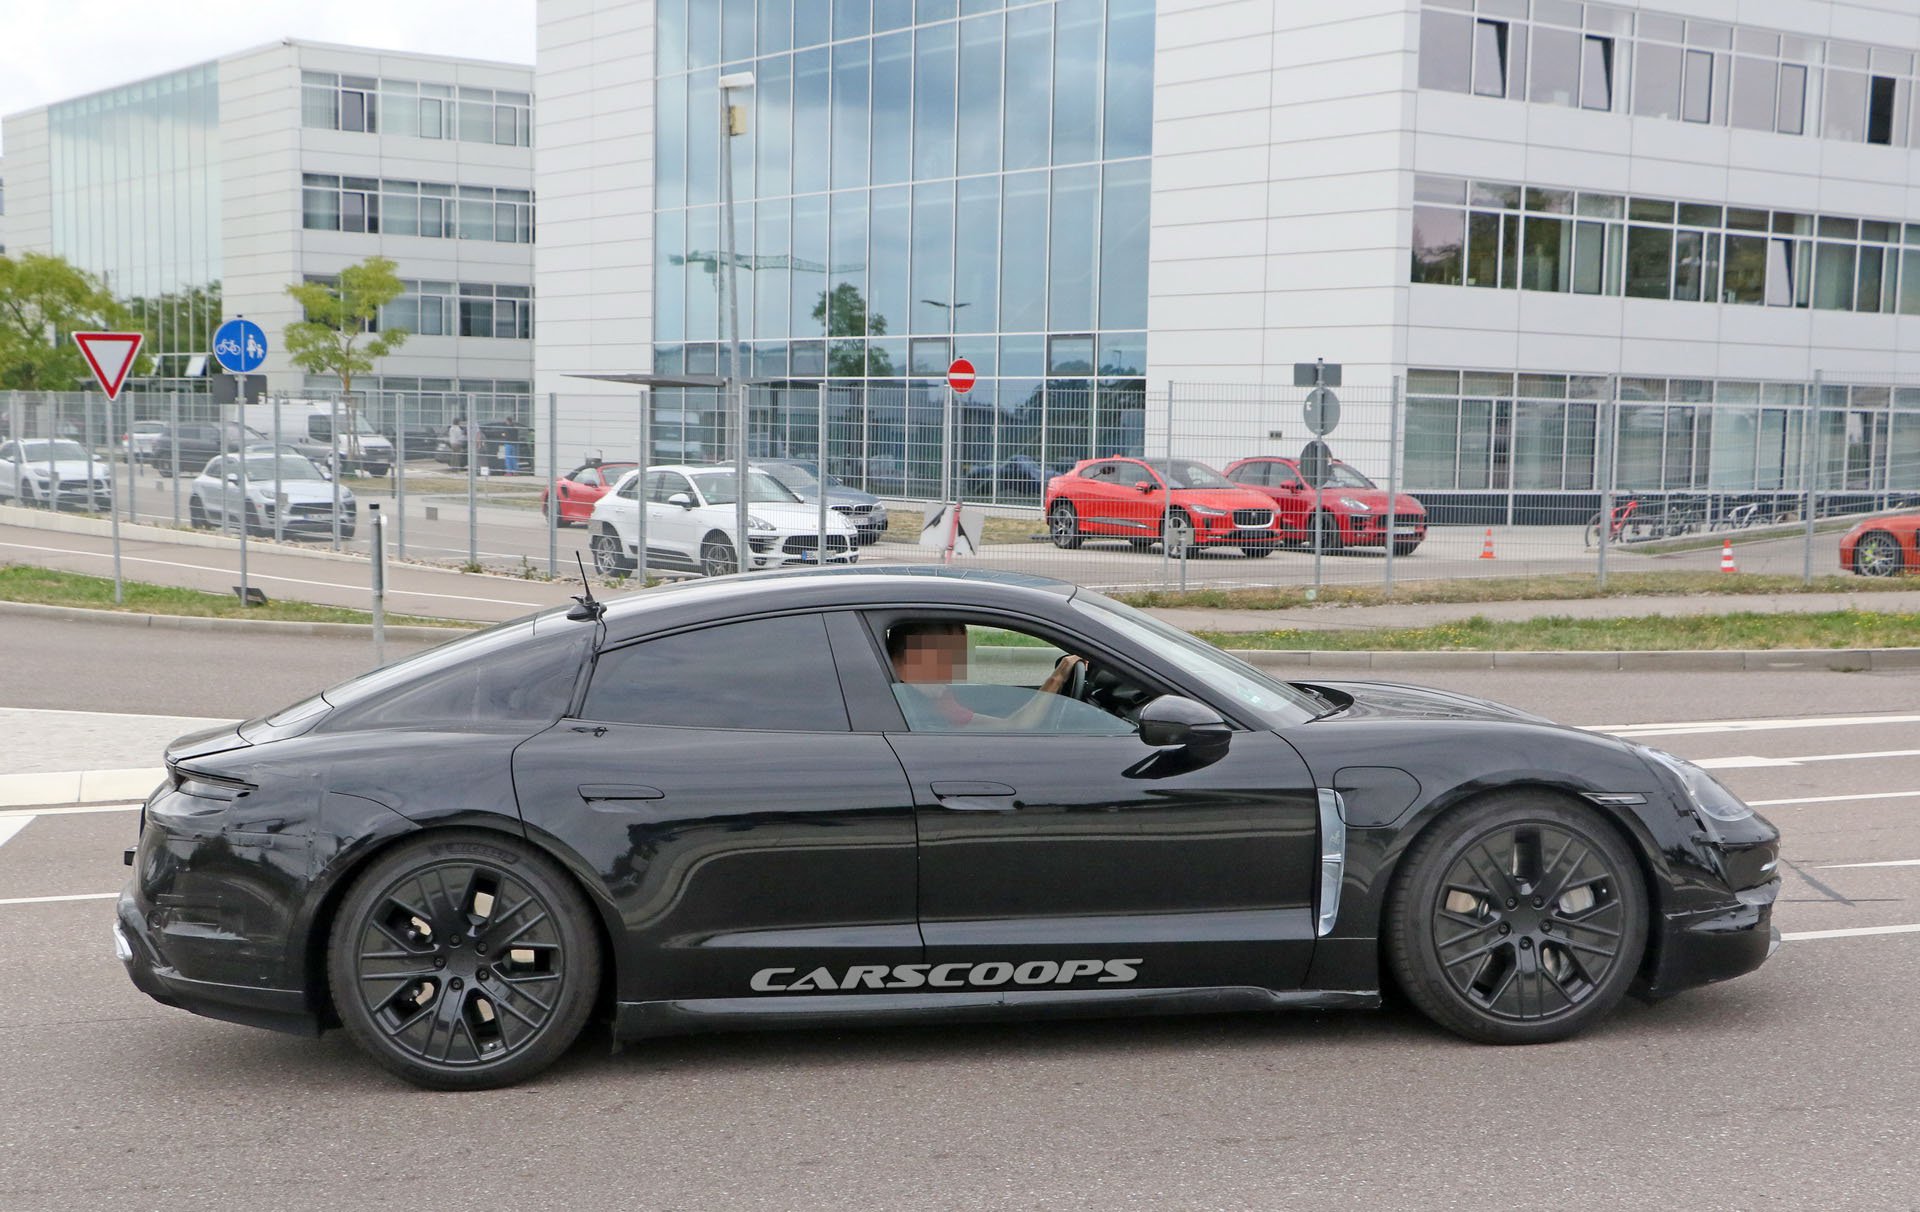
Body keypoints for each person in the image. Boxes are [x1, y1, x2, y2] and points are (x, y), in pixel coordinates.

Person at [887, 620, 1088, 731]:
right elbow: (1017, 728)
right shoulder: (912, 702)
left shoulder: (933, 698)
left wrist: (1058, 678)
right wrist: (1057, 679)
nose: (952, 671)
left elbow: (1013, 726)